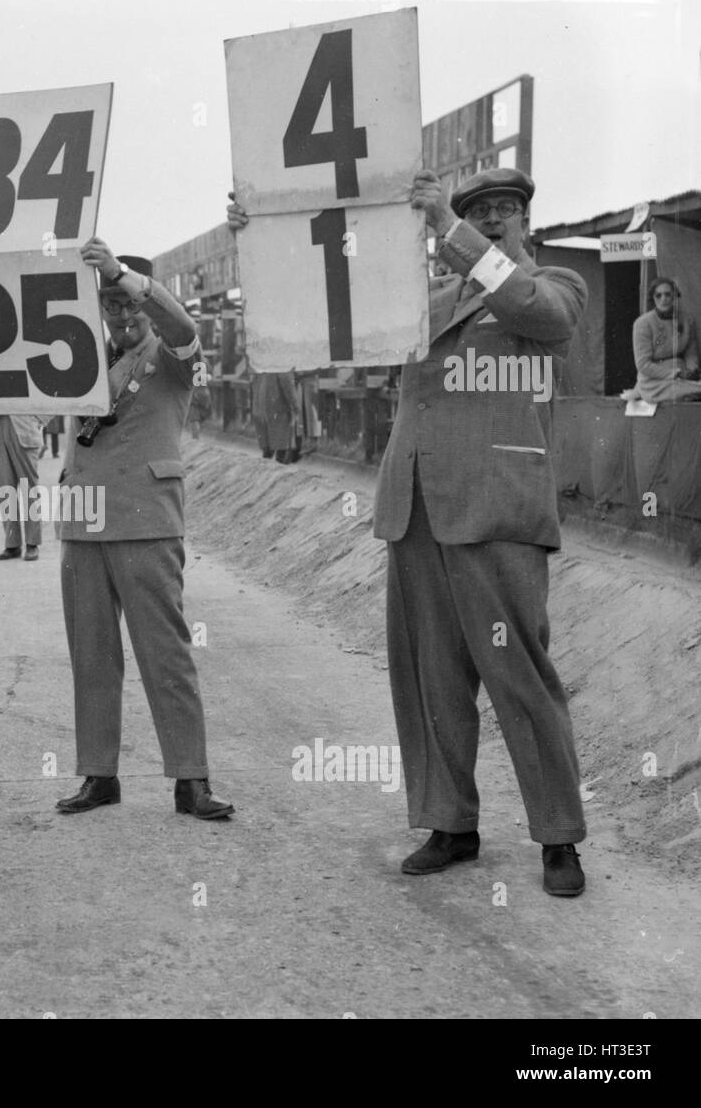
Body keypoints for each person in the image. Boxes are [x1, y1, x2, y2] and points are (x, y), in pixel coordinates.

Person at [230, 167, 590, 895]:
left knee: (521, 675)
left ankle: (558, 835)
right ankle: (450, 822)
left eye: (504, 211)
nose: (492, 219)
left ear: (525, 223)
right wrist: (261, 241)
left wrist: (450, 232)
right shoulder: (419, 303)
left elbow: (539, 313)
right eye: (478, 211)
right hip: (418, 508)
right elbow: (326, 319)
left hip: (496, 508)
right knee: (429, 678)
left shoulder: (549, 285)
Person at [55, 240, 233, 820]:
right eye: (111, 304)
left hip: (145, 522)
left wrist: (123, 275)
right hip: (84, 522)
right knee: (92, 656)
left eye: (131, 303)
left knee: (165, 655)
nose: (124, 315)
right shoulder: (74, 361)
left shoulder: (177, 357)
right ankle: (98, 775)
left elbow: (181, 324)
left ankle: (191, 779)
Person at [0, 413, 44, 561]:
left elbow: (53, 395)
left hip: (24, 427)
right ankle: (12, 543)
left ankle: (32, 543)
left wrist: (38, 419)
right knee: (4, 490)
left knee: (30, 490)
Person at [631, 276, 701, 402]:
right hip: (654, 382)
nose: (663, 299)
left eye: (668, 294)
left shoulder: (686, 321)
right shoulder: (643, 324)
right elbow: (643, 364)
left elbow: (691, 353)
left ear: (674, 296)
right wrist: (673, 373)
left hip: (682, 378)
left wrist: (691, 371)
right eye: (658, 295)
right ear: (653, 298)